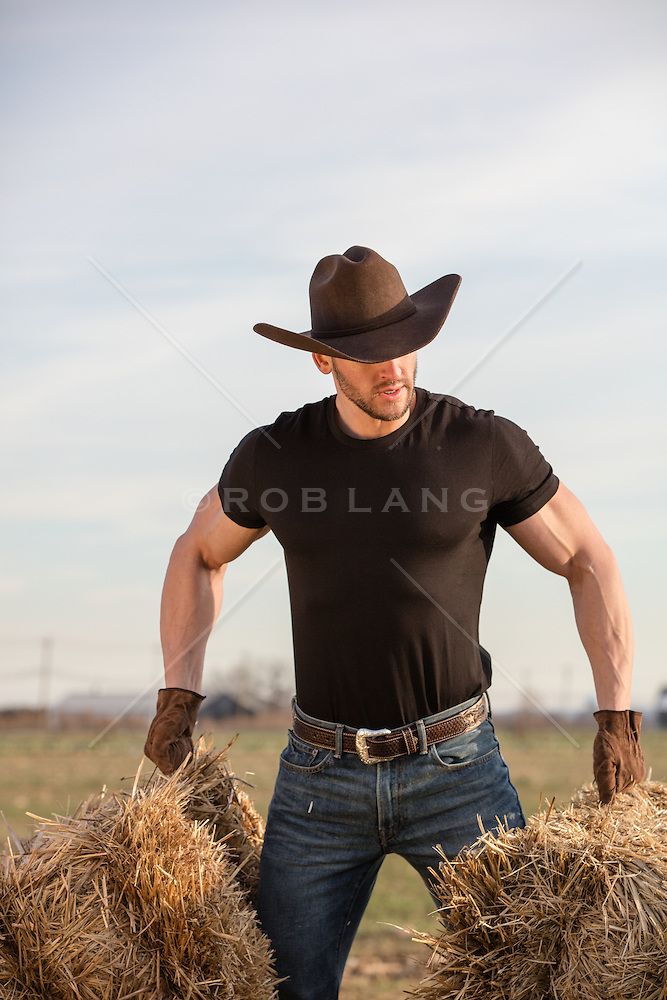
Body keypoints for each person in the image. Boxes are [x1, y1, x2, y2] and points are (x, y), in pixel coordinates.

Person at [144, 246, 646, 1000]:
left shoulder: (480, 444)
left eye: (403, 345)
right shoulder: (277, 455)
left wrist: (616, 718)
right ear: (323, 364)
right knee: (281, 989)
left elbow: (587, 558)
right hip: (318, 782)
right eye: (369, 356)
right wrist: (177, 697)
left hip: (458, 773)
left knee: (523, 984)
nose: (393, 368)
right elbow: (196, 553)